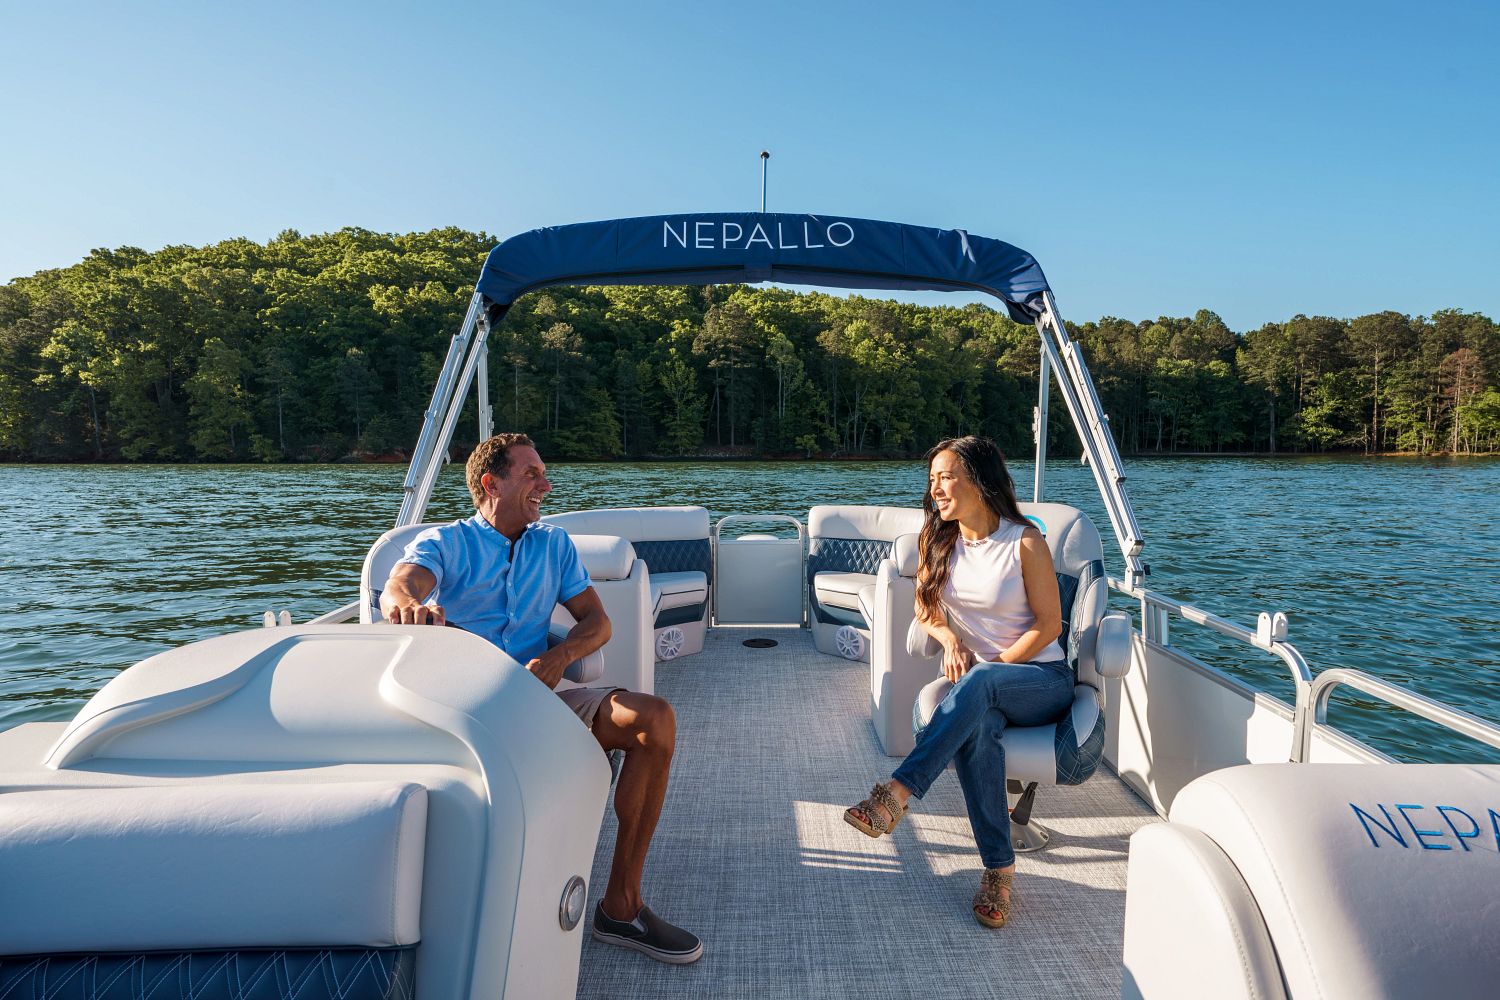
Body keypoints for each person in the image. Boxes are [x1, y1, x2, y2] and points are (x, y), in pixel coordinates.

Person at [381, 432, 703, 965]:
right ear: (492, 483)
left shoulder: (554, 545)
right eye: (531, 474)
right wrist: (406, 603)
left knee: (654, 720)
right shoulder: (448, 542)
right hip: (468, 706)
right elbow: (401, 584)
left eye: (543, 474)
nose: (545, 486)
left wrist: (560, 658)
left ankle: (620, 907)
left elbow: (599, 623)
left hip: (541, 696)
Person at [843, 435, 1068, 928]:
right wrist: (949, 641)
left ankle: (897, 793)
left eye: (946, 477)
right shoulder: (936, 539)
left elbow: (1049, 625)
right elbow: (926, 609)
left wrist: (994, 667)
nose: (936, 489)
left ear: (981, 482)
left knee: (984, 684)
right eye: (932, 481)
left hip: (1040, 678)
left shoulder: (1025, 540)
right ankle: (999, 871)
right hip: (979, 689)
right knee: (979, 733)